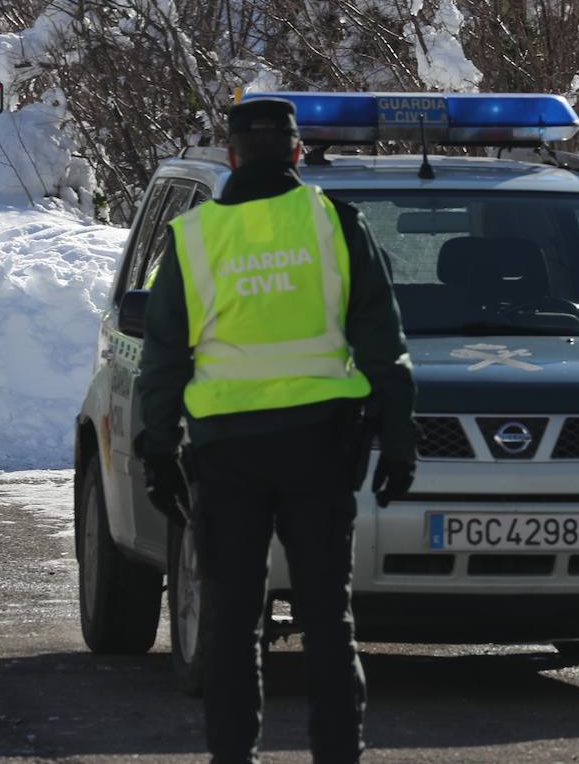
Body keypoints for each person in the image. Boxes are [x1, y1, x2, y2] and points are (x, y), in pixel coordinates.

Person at [136, 97, 417, 763]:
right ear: (295, 153)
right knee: (328, 620)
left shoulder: (193, 238)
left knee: (232, 622)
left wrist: (157, 443)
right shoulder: (335, 223)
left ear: (230, 156)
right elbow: (381, 338)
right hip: (320, 447)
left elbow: (164, 353)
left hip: (226, 453)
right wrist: (400, 434)